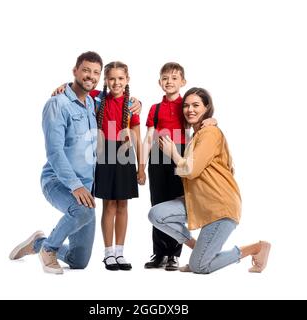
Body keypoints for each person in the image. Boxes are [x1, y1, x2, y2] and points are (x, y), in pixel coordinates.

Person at [148, 87, 271, 274]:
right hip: (200, 203)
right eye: (186, 106)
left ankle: (256, 248)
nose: (190, 109)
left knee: (199, 267)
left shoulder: (210, 133)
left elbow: (191, 169)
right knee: (156, 214)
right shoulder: (197, 135)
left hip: (219, 208)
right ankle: (199, 251)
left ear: (207, 108)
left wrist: (173, 153)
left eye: (196, 105)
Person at [9, 51, 103, 274]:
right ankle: (49, 250)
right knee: (84, 212)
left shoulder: (91, 103)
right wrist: (75, 185)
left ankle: (39, 242)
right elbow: (54, 151)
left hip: (86, 187)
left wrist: (135, 102)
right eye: (86, 70)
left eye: (96, 72)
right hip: (58, 180)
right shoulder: (57, 104)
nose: (91, 76)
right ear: (75, 71)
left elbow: (119, 99)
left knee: (79, 261)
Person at [142, 63, 216, 271]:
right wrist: (141, 166)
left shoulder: (186, 105)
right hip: (157, 160)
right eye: (165, 78)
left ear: (183, 82)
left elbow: (202, 119)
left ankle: (174, 254)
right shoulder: (155, 108)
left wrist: (213, 120)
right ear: (159, 83)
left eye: (174, 78)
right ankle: (159, 253)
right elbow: (148, 139)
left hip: (179, 157)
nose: (169, 82)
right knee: (157, 204)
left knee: (177, 206)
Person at [95, 61, 145, 271]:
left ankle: (120, 252)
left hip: (125, 154)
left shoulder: (132, 105)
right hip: (105, 153)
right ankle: (108, 254)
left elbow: (137, 136)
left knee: (123, 205)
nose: (116, 82)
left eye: (121, 78)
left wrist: (141, 167)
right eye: (112, 78)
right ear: (106, 80)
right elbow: (75, 88)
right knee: (109, 205)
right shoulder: (97, 98)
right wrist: (61, 87)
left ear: (127, 80)